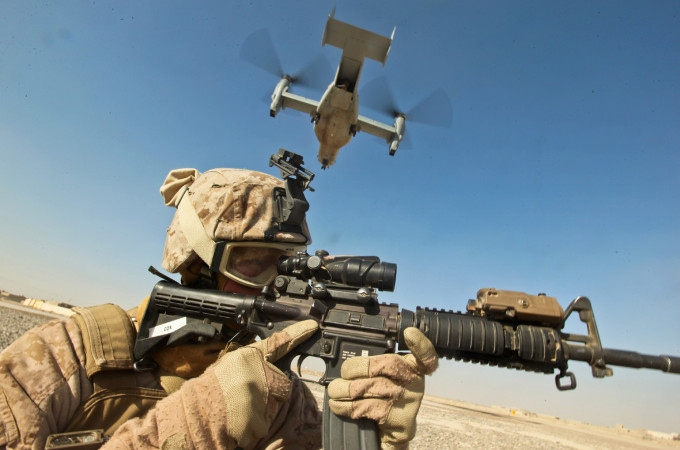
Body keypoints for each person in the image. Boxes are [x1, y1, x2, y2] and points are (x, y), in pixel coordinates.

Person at [0, 167, 438, 449]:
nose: (273, 288)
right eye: (251, 263)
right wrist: (193, 423)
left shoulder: (283, 396)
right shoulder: (66, 357)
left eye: (286, 270)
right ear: (196, 263)